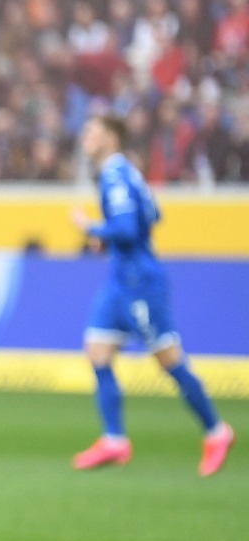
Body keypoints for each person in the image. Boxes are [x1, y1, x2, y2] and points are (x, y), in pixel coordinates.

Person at [71, 113, 234, 475]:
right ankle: (114, 439)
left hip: (140, 282)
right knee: (97, 348)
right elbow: (154, 213)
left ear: (111, 139)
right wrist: (113, 235)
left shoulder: (114, 175)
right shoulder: (128, 172)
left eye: (92, 131)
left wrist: (93, 228)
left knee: (168, 360)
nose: (85, 136)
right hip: (120, 279)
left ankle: (217, 431)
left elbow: (128, 230)